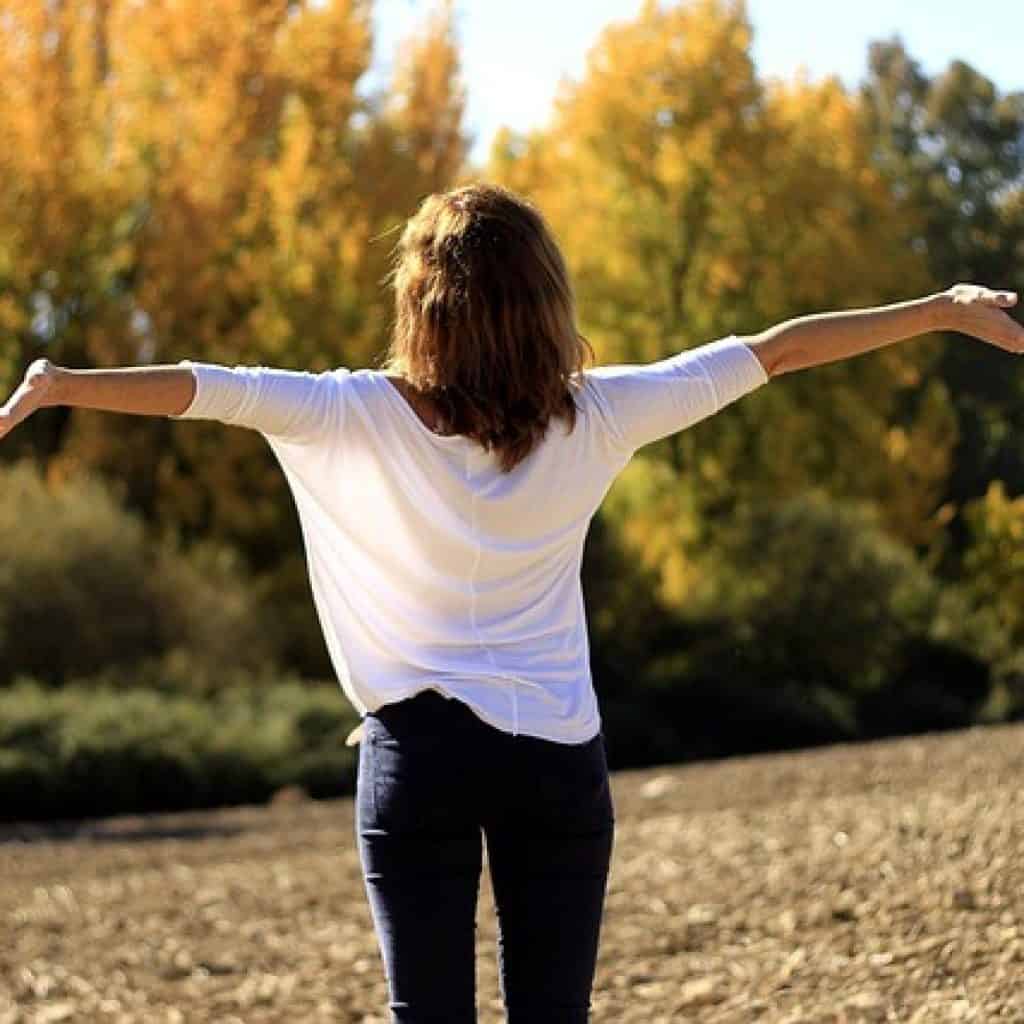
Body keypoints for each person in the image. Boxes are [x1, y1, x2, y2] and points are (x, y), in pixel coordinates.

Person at [1, 182, 1021, 1023]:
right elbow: (777, 348)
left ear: (420, 305)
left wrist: (59, 382)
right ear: (546, 302)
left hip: (419, 758)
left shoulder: (347, 412)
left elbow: (198, 387)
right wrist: (937, 308)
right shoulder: (604, 413)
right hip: (558, 759)